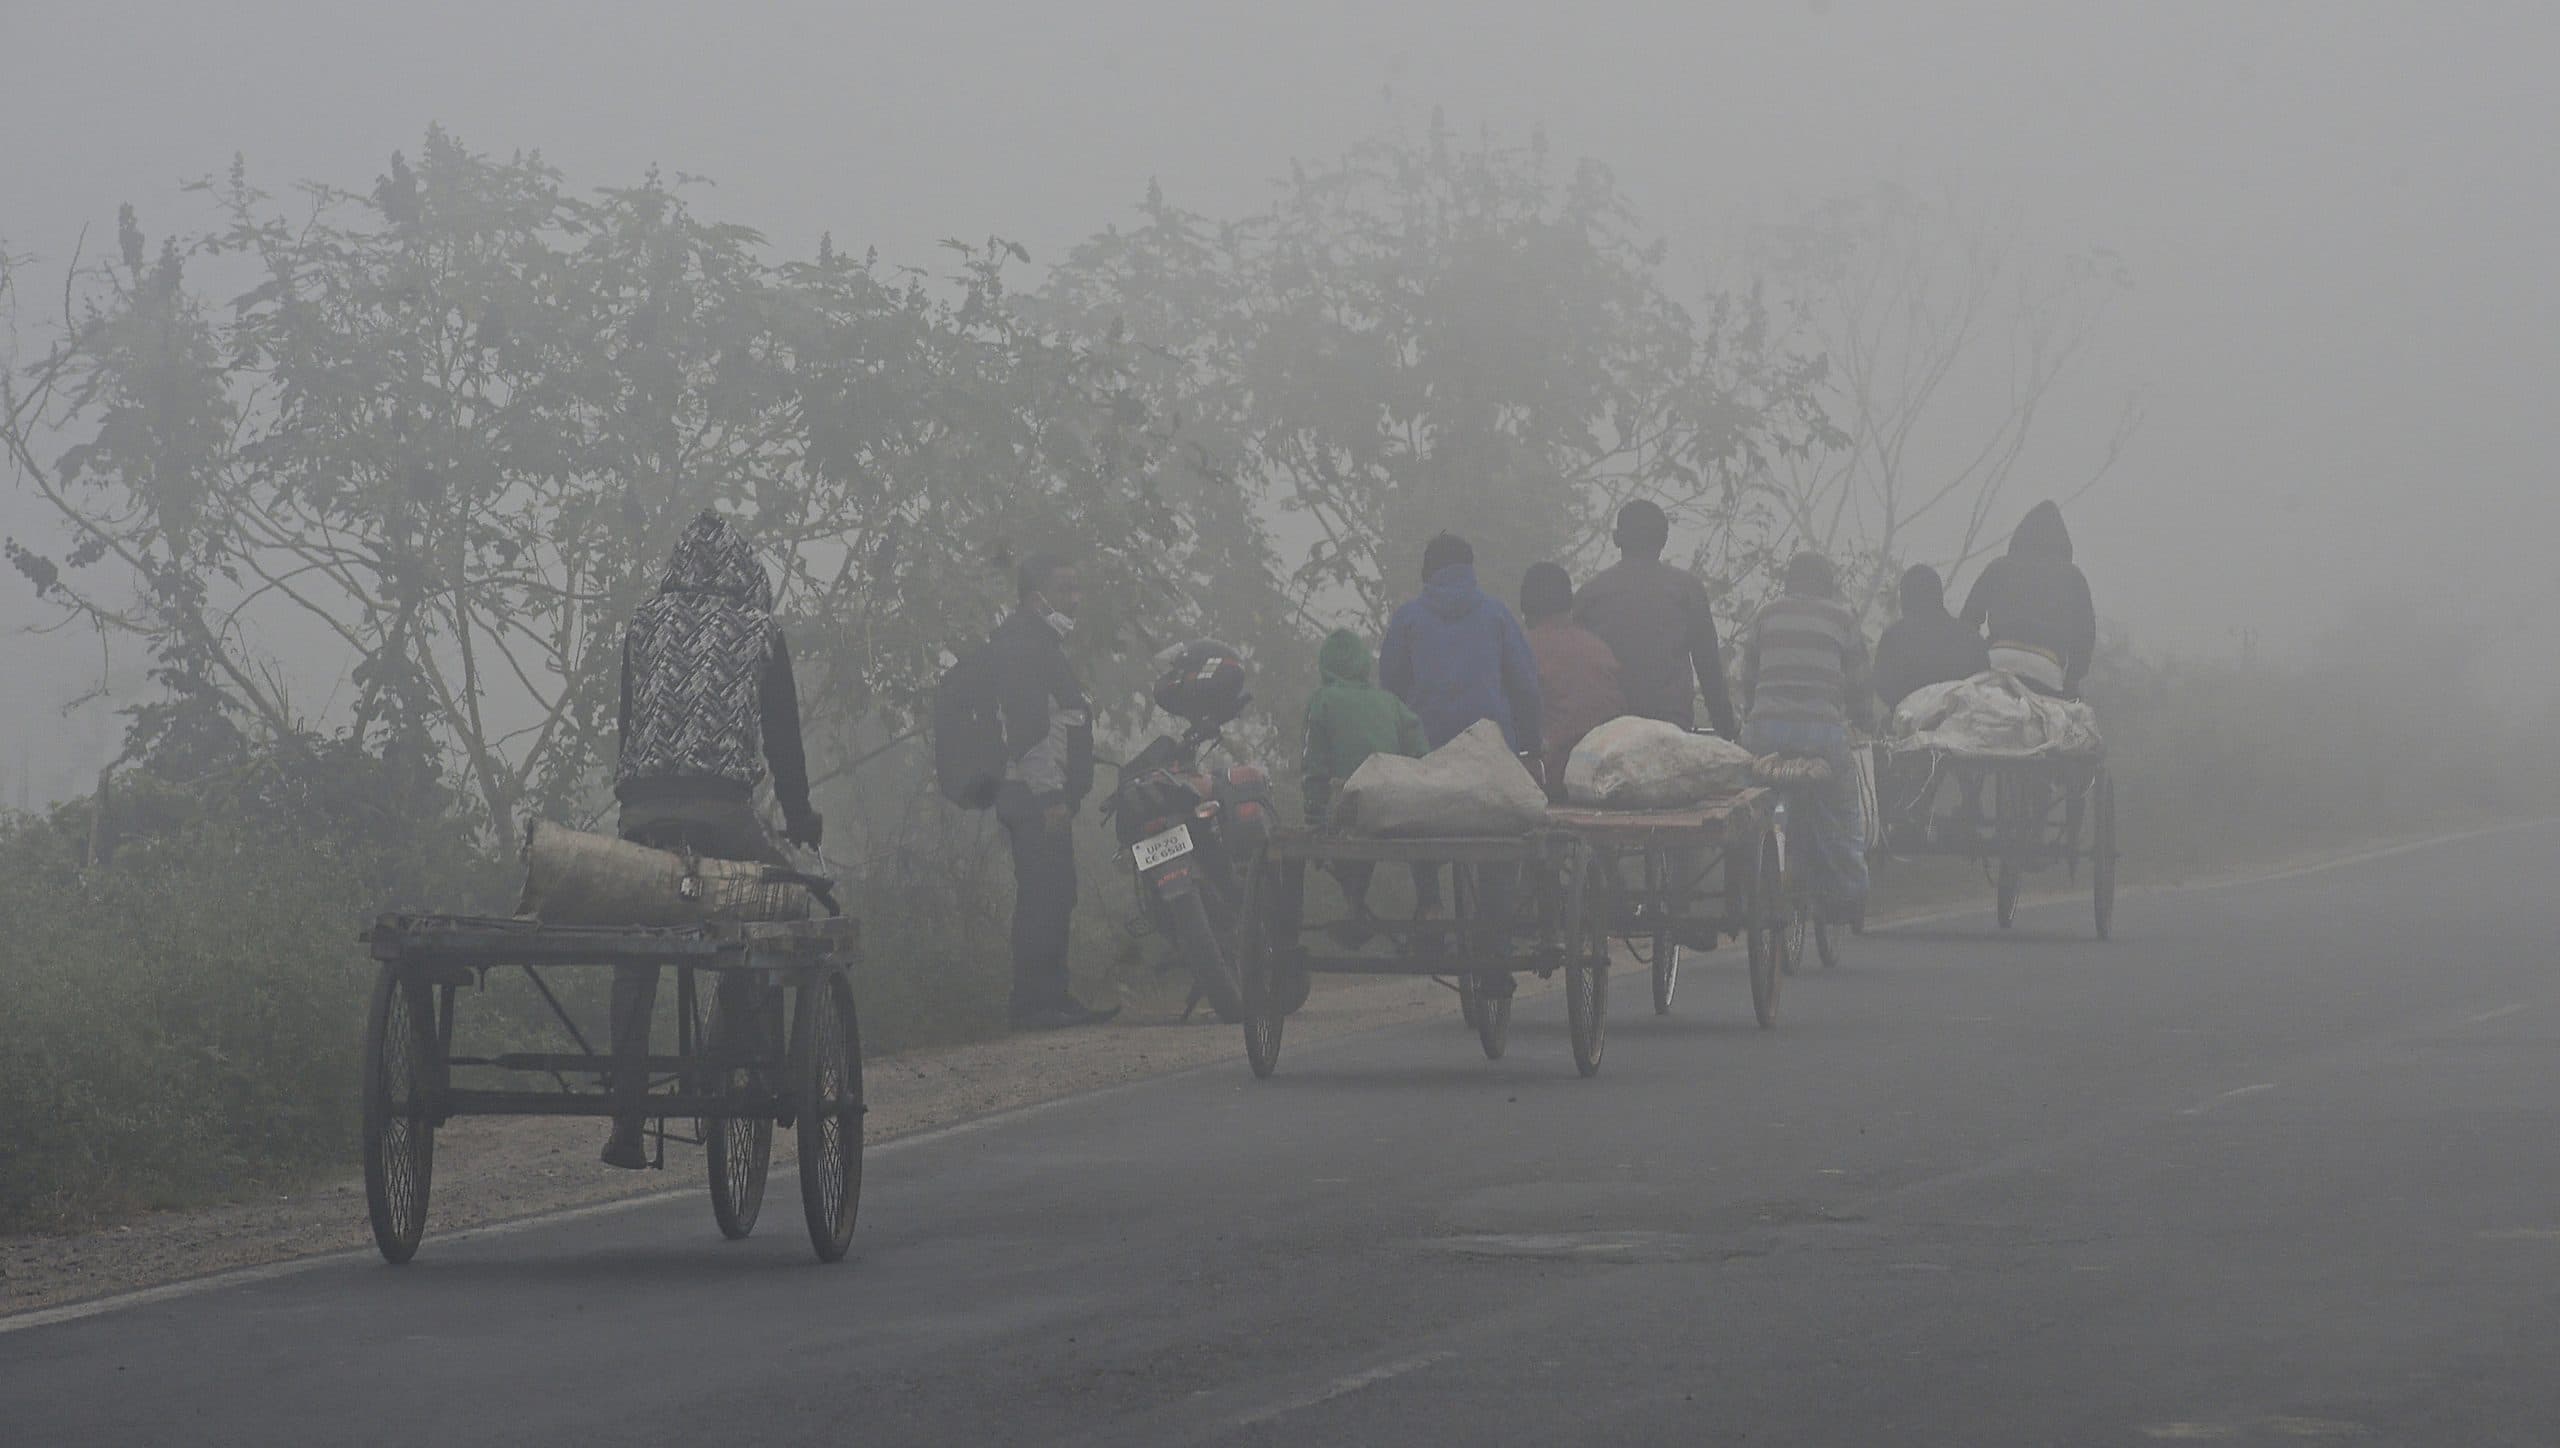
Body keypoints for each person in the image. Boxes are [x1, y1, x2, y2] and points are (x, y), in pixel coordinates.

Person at [607, 511, 822, 1168]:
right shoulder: (758, 630)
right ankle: (751, 1059)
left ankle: (626, 1117)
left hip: (642, 813)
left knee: (638, 948)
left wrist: (636, 808)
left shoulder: (643, 625)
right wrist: (801, 820)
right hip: (723, 814)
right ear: (745, 573)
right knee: (761, 908)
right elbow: (783, 743)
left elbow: (628, 729)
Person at [1379, 532, 1543, 997]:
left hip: (1429, 756)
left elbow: (1390, 690)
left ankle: (1431, 905)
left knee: (1421, 822)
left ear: (1426, 573)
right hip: (1490, 755)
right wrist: (1530, 749)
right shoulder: (1495, 614)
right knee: (1498, 845)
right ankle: (1495, 948)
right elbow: (1526, 687)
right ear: (1471, 570)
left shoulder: (1408, 619)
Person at [989, 554, 1118, 1030]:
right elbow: (1027, 731)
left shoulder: (1041, 644)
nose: (1075, 599)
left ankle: (1053, 999)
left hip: (1041, 792)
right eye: (1064, 588)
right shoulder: (1022, 644)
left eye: (1077, 588)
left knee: (1055, 893)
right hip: (1031, 794)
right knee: (1043, 896)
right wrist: (1050, 798)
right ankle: (1034, 1005)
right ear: (1035, 597)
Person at [1739, 551, 1873, 924]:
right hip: (1821, 735)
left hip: (1766, 732)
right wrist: (1864, 720)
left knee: (1747, 801)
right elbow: (1860, 684)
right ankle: (1850, 893)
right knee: (1842, 811)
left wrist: (1752, 714)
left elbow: (1747, 679)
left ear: (1789, 583)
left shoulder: (1766, 615)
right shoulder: (1842, 619)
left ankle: (1744, 879)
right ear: (1827, 585)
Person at [1300, 627, 1437, 923]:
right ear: (1363, 663)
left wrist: (1314, 816)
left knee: (1349, 821)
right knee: (1392, 815)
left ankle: (1355, 907)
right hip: (1396, 804)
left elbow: (1314, 766)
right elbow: (1421, 754)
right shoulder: (1391, 702)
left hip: (1352, 808)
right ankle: (1430, 904)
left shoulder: (1322, 701)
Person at [1573, 499, 1739, 740]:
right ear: (1664, 540)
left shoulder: (1590, 594)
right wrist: (1727, 730)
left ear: (1617, 538)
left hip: (1608, 729)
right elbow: (1708, 668)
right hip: (1670, 727)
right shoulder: (1687, 590)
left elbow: (1576, 668)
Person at [1959, 499, 2097, 697]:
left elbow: (1968, 621)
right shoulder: (2073, 577)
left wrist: (1976, 660)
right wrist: (2072, 680)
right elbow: (2085, 636)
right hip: (2047, 666)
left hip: (1999, 657)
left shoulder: (1999, 567)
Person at [1520, 561, 1624, 802]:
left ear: (1526, 607)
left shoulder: (1522, 649)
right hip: (1607, 775)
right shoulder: (1599, 649)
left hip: (1551, 779)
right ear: (1569, 604)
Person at [1871, 563, 1993, 715]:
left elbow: (1883, 688)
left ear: (1904, 599)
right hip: (1961, 722)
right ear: (1939, 596)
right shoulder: (1970, 637)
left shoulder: (1892, 638)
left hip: (1908, 721)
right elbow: (1983, 683)